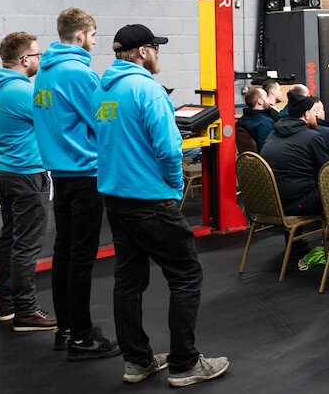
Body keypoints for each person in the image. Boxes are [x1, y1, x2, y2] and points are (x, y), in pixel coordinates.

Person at [92, 24, 228, 386]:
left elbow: (100, 139)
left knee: (129, 281)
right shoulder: (147, 89)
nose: (158, 54)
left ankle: (137, 361)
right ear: (142, 52)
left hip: (115, 199)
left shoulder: (103, 90)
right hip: (151, 200)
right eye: (155, 48)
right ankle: (185, 363)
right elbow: (169, 149)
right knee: (186, 276)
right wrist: (174, 186)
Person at [32, 7, 117, 358]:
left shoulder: (45, 72)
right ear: (81, 35)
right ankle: (82, 337)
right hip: (85, 174)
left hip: (61, 175)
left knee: (64, 254)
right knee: (81, 256)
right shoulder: (79, 73)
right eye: (94, 36)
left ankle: (66, 328)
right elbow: (102, 120)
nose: (94, 43)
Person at [0, 32, 56, 332]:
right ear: (25, 59)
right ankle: (26, 310)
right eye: (37, 55)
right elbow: (54, 119)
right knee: (26, 245)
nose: (40, 59)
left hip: (4, 171)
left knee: (10, 239)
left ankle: (9, 303)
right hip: (26, 174)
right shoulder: (22, 91)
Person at [260, 90, 329, 216]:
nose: (316, 116)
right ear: (306, 114)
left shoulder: (273, 133)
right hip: (295, 204)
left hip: (271, 201)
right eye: (314, 112)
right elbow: (327, 171)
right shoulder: (311, 137)